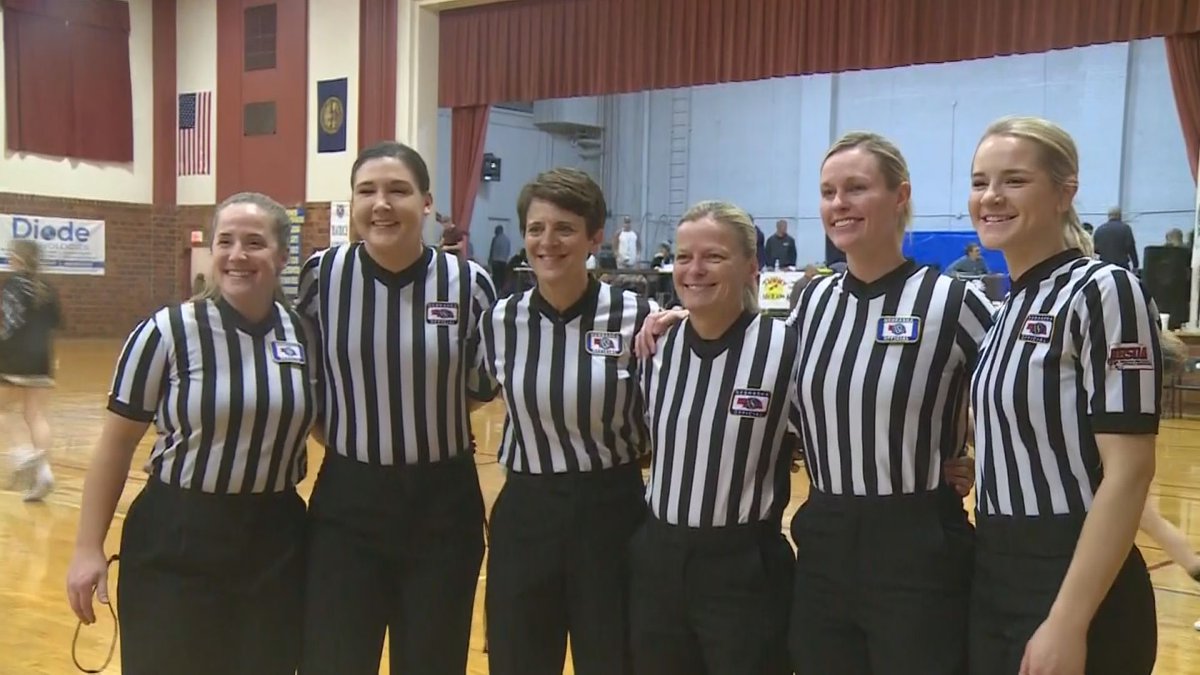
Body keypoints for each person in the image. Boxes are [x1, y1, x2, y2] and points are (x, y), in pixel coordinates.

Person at [637, 133, 988, 675]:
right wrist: (685, 317)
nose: (839, 203)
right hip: (826, 539)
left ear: (900, 196)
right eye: (828, 192)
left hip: (917, 543)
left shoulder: (953, 300)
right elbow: (765, 369)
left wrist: (971, 459)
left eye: (856, 188)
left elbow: (1017, 390)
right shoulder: (814, 303)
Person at [65, 192, 318, 675]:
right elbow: (116, 446)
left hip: (275, 541)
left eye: (254, 243)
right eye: (225, 241)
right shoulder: (166, 332)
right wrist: (86, 547)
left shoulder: (302, 333)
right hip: (177, 535)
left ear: (283, 257)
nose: (237, 254)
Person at [296, 141, 497, 675]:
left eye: (398, 191)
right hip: (348, 502)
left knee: (432, 660)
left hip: (442, 503)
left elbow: (482, 383)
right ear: (353, 202)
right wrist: (346, 432)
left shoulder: (469, 284)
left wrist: (423, 416)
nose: (381, 204)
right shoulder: (323, 275)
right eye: (367, 191)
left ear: (427, 203)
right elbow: (305, 379)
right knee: (334, 660)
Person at [968, 116, 1159, 675]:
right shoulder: (1004, 310)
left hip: (1076, 577)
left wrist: (1068, 621)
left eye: (1014, 180)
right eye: (980, 181)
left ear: (1064, 191)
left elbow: (1128, 472)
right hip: (993, 569)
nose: (992, 196)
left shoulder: (1102, 289)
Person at [479, 168, 654, 675]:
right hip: (527, 513)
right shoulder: (500, 319)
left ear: (594, 237)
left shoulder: (637, 316)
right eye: (536, 228)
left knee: (613, 660)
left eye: (564, 228)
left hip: (611, 511)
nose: (547, 241)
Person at [632, 200, 799, 675]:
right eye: (684, 257)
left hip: (744, 566)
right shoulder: (657, 345)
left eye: (713, 257)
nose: (694, 269)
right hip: (659, 559)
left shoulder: (786, 347)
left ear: (751, 267)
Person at [1, 239, 62, 501]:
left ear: (17, 258)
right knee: (35, 414)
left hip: (14, 356)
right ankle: (43, 471)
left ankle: (23, 453)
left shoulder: (13, 286)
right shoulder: (47, 288)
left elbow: (6, 324)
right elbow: (56, 323)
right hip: (42, 359)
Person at [1092, 206, 1139, 271]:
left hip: (1104, 267)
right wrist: (1135, 264)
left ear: (1108, 216)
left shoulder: (1099, 229)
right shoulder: (1126, 228)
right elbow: (1131, 247)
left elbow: (1095, 249)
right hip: (1121, 266)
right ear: (1120, 216)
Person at [489, 223, 512, 292]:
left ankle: (495, 291)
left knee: (496, 279)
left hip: (495, 261)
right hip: (503, 262)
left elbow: (492, 250)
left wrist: (490, 260)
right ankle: (502, 292)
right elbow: (508, 250)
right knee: (502, 279)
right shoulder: (507, 240)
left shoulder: (495, 239)